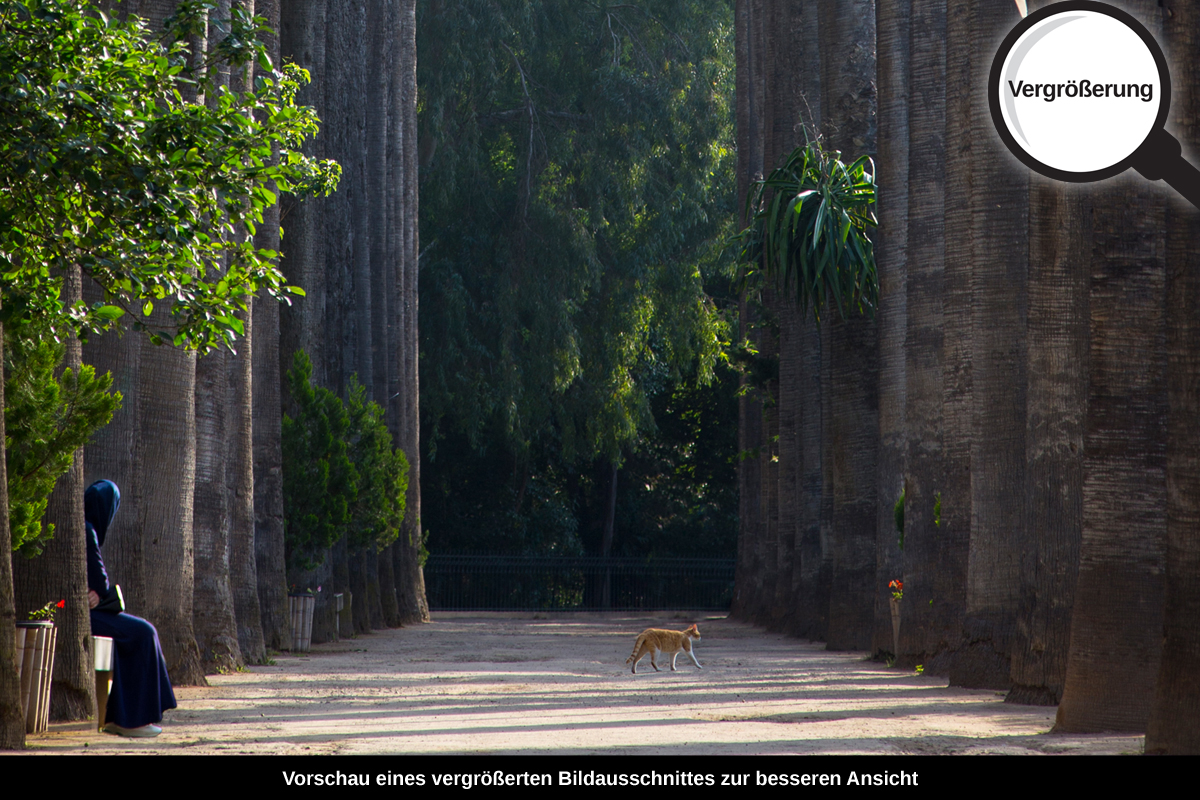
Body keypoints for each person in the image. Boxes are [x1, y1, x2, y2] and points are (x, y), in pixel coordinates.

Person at [85, 479, 177, 737]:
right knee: (142, 633)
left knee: (138, 630)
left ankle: (125, 714)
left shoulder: (82, 528)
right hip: (85, 616)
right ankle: (130, 719)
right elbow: (100, 584)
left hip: (87, 612)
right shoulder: (87, 530)